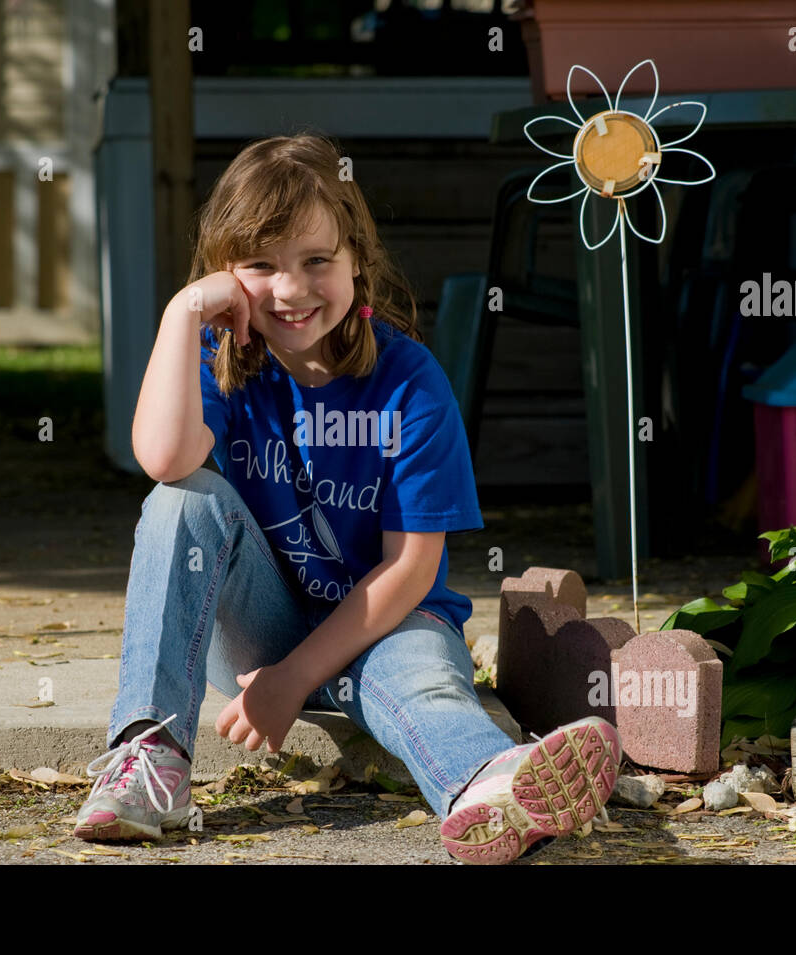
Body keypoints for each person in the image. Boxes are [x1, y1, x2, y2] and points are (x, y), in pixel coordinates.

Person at [74, 132, 620, 864]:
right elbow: (164, 458)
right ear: (225, 273)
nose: (291, 289)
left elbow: (411, 570)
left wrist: (294, 680)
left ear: (357, 259)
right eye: (261, 265)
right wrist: (183, 313)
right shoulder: (223, 361)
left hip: (391, 624)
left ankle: (491, 786)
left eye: (317, 261)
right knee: (181, 499)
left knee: (425, 687)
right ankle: (150, 761)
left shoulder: (410, 381)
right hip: (257, 628)